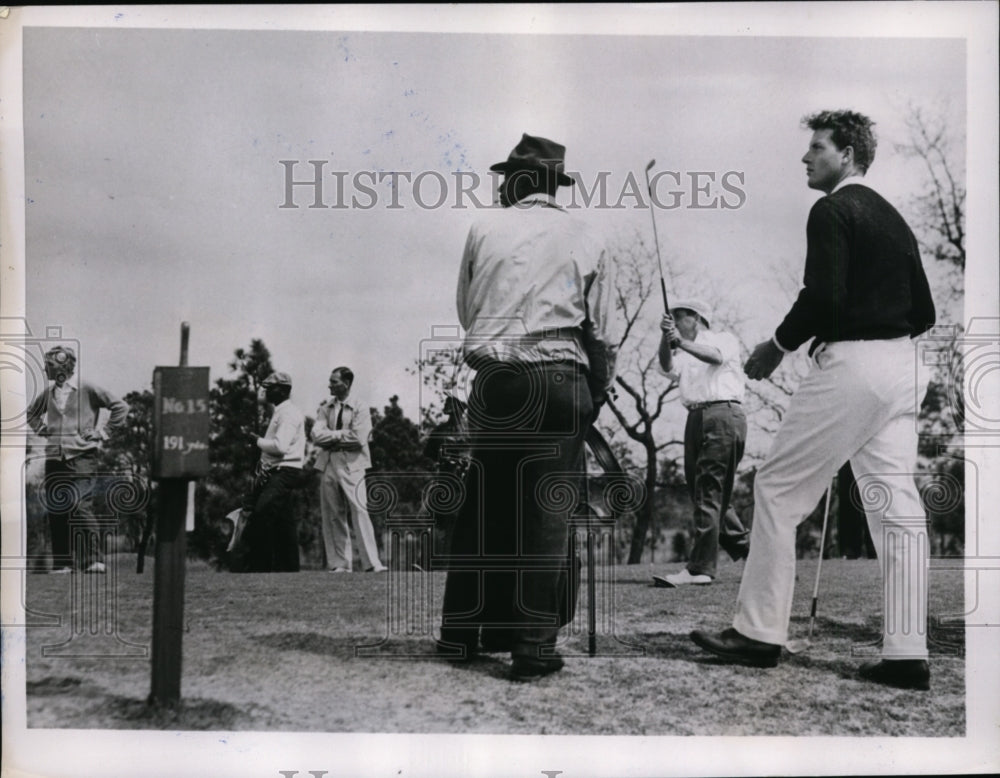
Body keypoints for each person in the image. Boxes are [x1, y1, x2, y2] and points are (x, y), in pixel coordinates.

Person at [690, 110, 936, 691]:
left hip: (854, 364)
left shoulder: (831, 209)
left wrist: (775, 346)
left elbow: (823, 297)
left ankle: (758, 633)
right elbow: (924, 311)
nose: (806, 158)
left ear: (847, 154)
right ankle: (907, 654)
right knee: (896, 507)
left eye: (817, 148)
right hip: (905, 365)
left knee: (776, 488)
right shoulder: (895, 220)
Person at [437, 133, 618, 681]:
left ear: (514, 183)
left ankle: (462, 634)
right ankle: (533, 644)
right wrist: (595, 390)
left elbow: (468, 311)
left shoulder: (483, 227)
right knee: (547, 512)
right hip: (558, 376)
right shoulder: (586, 232)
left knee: (485, 505)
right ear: (554, 185)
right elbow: (601, 332)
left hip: (495, 380)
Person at [652, 299, 749, 587]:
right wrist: (665, 336)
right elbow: (666, 366)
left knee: (709, 491)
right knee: (704, 492)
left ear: (696, 317)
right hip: (694, 417)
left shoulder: (722, 339)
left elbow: (715, 357)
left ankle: (700, 569)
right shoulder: (682, 347)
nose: (673, 321)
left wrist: (679, 341)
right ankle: (752, 553)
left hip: (721, 413)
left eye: (678, 317)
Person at [27, 346, 129, 574]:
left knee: (80, 506)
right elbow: (31, 414)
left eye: (50, 365)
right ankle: (63, 563)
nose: (45, 369)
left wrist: (102, 432)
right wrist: (43, 430)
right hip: (54, 458)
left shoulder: (87, 388)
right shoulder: (49, 393)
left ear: (64, 367)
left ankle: (94, 560)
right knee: (57, 509)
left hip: (83, 457)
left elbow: (120, 407)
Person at [312, 366, 386, 573]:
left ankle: (372, 563)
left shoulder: (360, 407)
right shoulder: (325, 408)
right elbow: (316, 435)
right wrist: (341, 436)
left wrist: (332, 437)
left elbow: (358, 439)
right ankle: (340, 564)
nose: (330, 385)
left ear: (347, 383)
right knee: (333, 513)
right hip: (329, 463)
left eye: (334, 382)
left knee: (360, 510)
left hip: (353, 465)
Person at [242, 371, 306, 572]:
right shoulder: (281, 411)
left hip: (283, 471)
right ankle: (289, 569)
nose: (266, 390)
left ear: (283, 390)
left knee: (261, 516)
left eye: (271, 387)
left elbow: (280, 447)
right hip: (278, 471)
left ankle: (258, 568)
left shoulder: (288, 414)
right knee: (283, 523)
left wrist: (255, 440)